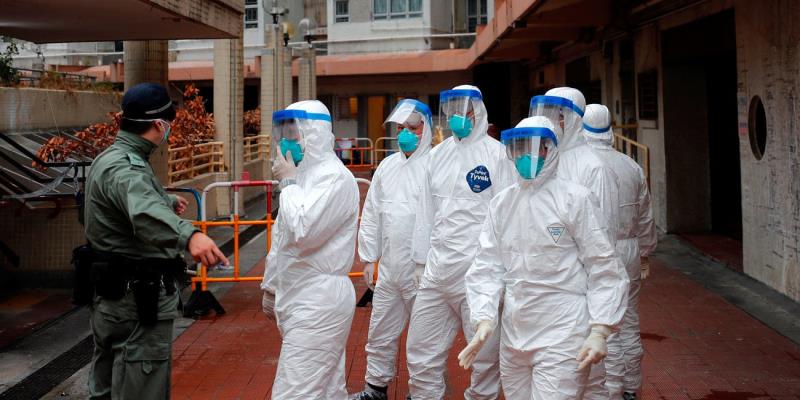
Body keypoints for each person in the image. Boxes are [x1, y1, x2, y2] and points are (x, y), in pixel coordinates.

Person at [458, 116, 629, 400]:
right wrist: (484, 318)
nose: (524, 155)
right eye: (519, 148)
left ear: (549, 150)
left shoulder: (575, 199)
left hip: (563, 331)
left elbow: (603, 265)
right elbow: (487, 266)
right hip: (515, 332)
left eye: (533, 147)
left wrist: (600, 328)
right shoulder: (502, 203)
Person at [83, 82, 228, 400]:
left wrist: (164, 199)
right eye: (169, 124)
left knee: (107, 383)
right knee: (140, 384)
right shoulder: (126, 168)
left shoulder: (109, 159)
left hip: (111, 298)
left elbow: (125, 202)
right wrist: (190, 236)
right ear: (159, 125)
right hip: (137, 301)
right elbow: (142, 210)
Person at [406, 85, 516, 400]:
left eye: (463, 111)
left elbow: (509, 218)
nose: (457, 117)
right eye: (452, 110)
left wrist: (504, 275)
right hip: (437, 273)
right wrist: (420, 261)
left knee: (484, 357)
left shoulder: (498, 155)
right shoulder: (437, 155)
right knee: (420, 349)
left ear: (477, 112)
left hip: (477, 275)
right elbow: (425, 212)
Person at [260, 100, 360, 399]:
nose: (287, 141)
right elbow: (283, 239)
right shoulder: (303, 176)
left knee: (294, 393)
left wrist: (288, 184)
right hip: (299, 295)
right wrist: (271, 286)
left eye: (295, 133)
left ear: (315, 134)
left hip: (319, 300)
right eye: (284, 133)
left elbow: (304, 232)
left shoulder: (334, 178)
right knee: (327, 391)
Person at [530, 88, 621, 399]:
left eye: (559, 114)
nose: (552, 120)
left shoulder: (592, 166)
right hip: (546, 290)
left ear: (574, 118)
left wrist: (599, 311)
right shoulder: (544, 160)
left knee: (591, 376)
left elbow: (603, 240)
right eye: (547, 112)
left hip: (580, 291)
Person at [350, 99, 433, 400]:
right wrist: (369, 258)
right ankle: (375, 389)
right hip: (390, 270)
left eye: (412, 127)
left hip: (423, 272)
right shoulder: (387, 166)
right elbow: (373, 214)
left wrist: (430, 264)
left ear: (426, 129)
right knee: (379, 333)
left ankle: (423, 393)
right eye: (400, 128)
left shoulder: (436, 166)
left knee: (425, 341)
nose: (405, 133)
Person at [582, 104, 657, 400]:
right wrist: (645, 252)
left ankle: (611, 391)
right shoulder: (631, 165)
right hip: (630, 250)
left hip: (599, 252)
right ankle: (631, 387)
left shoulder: (582, 165)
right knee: (628, 321)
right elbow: (645, 215)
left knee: (603, 323)